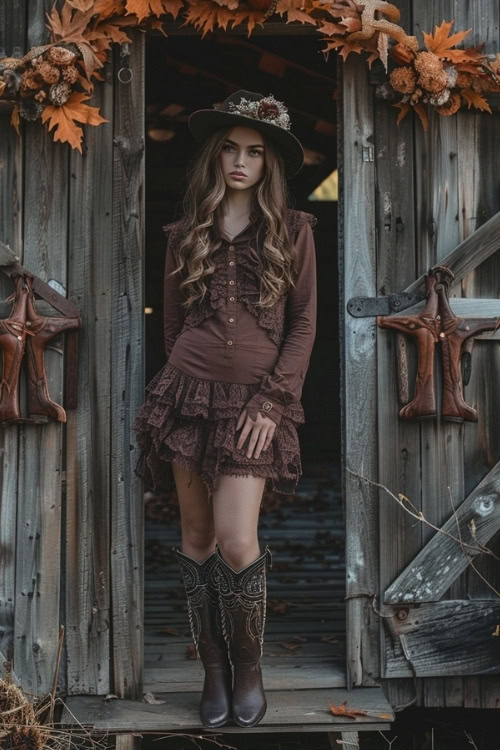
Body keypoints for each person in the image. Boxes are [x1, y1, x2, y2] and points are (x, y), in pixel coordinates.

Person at [134, 90, 317, 728]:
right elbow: (173, 323)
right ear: (216, 158)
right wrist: (184, 384)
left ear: (269, 165)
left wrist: (273, 399)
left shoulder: (293, 231)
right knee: (197, 538)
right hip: (188, 393)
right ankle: (211, 671)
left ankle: (250, 669)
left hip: (256, 404)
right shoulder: (185, 234)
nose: (241, 161)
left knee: (238, 539)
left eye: (255, 153)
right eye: (232, 150)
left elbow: (303, 326)